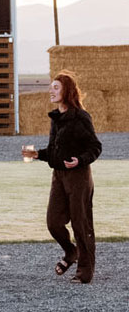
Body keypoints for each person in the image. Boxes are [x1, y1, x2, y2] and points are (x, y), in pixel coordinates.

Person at [22, 72, 102, 284]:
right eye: (51, 87)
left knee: (81, 224)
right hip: (58, 176)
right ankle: (71, 252)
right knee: (53, 223)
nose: (51, 90)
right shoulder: (56, 118)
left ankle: (85, 271)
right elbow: (54, 152)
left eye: (56, 87)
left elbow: (95, 147)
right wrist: (37, 154)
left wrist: (80, 160)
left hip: (79, 177)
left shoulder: (81, 117)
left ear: (67, 91)